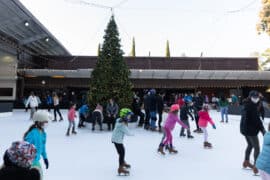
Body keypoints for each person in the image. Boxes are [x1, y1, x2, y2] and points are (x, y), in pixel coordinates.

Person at [240, 90, 266, 175]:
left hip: (245, 130)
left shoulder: (247, 104)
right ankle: (256, 166)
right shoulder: (250, 106)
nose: (256, 99)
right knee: (257, 147)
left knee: (250, 145)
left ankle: (246, 161)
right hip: (250, 131)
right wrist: (263, 130)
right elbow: (256, 120)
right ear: (250, 97)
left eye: (257, 97)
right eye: (254, 97)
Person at [23, 110, 51, 178]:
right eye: (45, 122)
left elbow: (43, 147)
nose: (47, 123)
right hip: (29, 163)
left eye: (47, 122)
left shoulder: (43, 133)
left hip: (36, 161)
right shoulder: (32, 134)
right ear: (39, 122)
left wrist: (45, 158)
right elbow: (24, 148)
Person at [111, 108, 134, 176]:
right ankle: (120, 168)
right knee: (122, 152)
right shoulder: (122, 125)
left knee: (121, 152)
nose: (129, 117)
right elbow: (128, 133)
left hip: (116, 139)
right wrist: (133, 134)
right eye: (128, 116)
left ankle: (122, 162)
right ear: (124, 116)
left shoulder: (119, 121)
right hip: (117, 140)